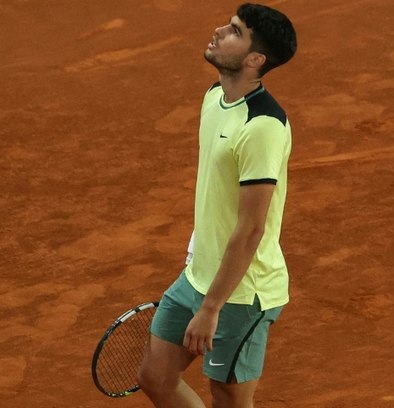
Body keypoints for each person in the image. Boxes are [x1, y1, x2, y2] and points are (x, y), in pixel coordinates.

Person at [138, 3, 297, 407]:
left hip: (241, 294)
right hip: (198, 274)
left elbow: (251, 229)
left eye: (234, 31)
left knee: (228, 398)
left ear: (254, 59)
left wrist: (211, 308)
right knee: (156, 377)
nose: (219, 30)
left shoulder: (263, 127)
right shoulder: (215, 97)